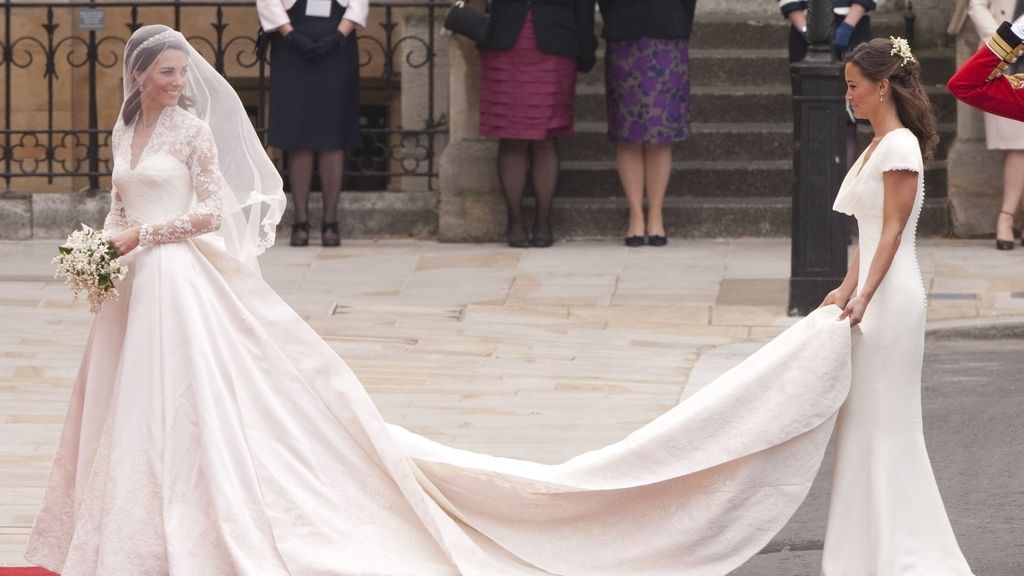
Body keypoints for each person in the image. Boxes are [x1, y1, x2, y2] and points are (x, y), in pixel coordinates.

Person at [23, 26, 968, 576]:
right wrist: (106, 249)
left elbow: (209, 211)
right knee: (132, 409)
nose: (181, 82)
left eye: (185, 72)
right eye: (169, 73)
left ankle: (894, 545)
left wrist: (852, 292)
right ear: (140, 78)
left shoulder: (189, 132)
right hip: (136, 288)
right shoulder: (128, 132)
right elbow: (118, 203)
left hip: (178, 279)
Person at [820, 37, 974, 574]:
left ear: (882, 85)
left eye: (853, 86)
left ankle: (903, 553)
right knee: (861, 425)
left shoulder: (901, 147)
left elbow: (891, 232)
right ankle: (861, 553)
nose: (849, 96)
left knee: (889, 426)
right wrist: (845, 287)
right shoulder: (878, 144)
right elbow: (867, 233)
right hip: (871, 296)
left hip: (893, 300)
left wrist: (864, 295)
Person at [478, 0, 597, 248]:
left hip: (555, 44)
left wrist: (586, 46)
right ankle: (514, 222)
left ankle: (544, 221)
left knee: (545, 138)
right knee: (511, 136)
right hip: (505, 40)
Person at [257, 0, 368, 247]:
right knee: (299, 133)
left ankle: (330, 221)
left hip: (337, 48)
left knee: (333, 132)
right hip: (291, 48)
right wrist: (291, 35)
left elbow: (359, 3)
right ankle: (301, 220)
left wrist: (339, 36)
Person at [598, 0, 697, 247]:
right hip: (624, 36)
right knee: (627, 131)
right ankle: (635, 214)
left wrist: (679, 22)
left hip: (668, 34)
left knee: (660, 133)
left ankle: (655, 214)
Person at [960, 0, 1024, 250]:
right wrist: (1005, 42)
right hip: (1004, 57)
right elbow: (976, 6)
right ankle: (1006, 218)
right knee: (1018, 145)